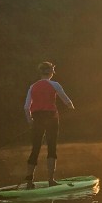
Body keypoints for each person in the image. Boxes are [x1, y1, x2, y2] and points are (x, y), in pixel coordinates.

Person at [23, 61, 75, 189]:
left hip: (37, 119)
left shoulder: (32, 86)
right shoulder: (55, 84)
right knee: (51, 148)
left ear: (41, 72)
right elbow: (67, 101)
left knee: (35, 148)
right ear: (51, 72)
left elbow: (26, 107)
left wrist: (30, 121)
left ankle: (29, 182)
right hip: (51, 118)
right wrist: (72, 109)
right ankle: (51, 180)